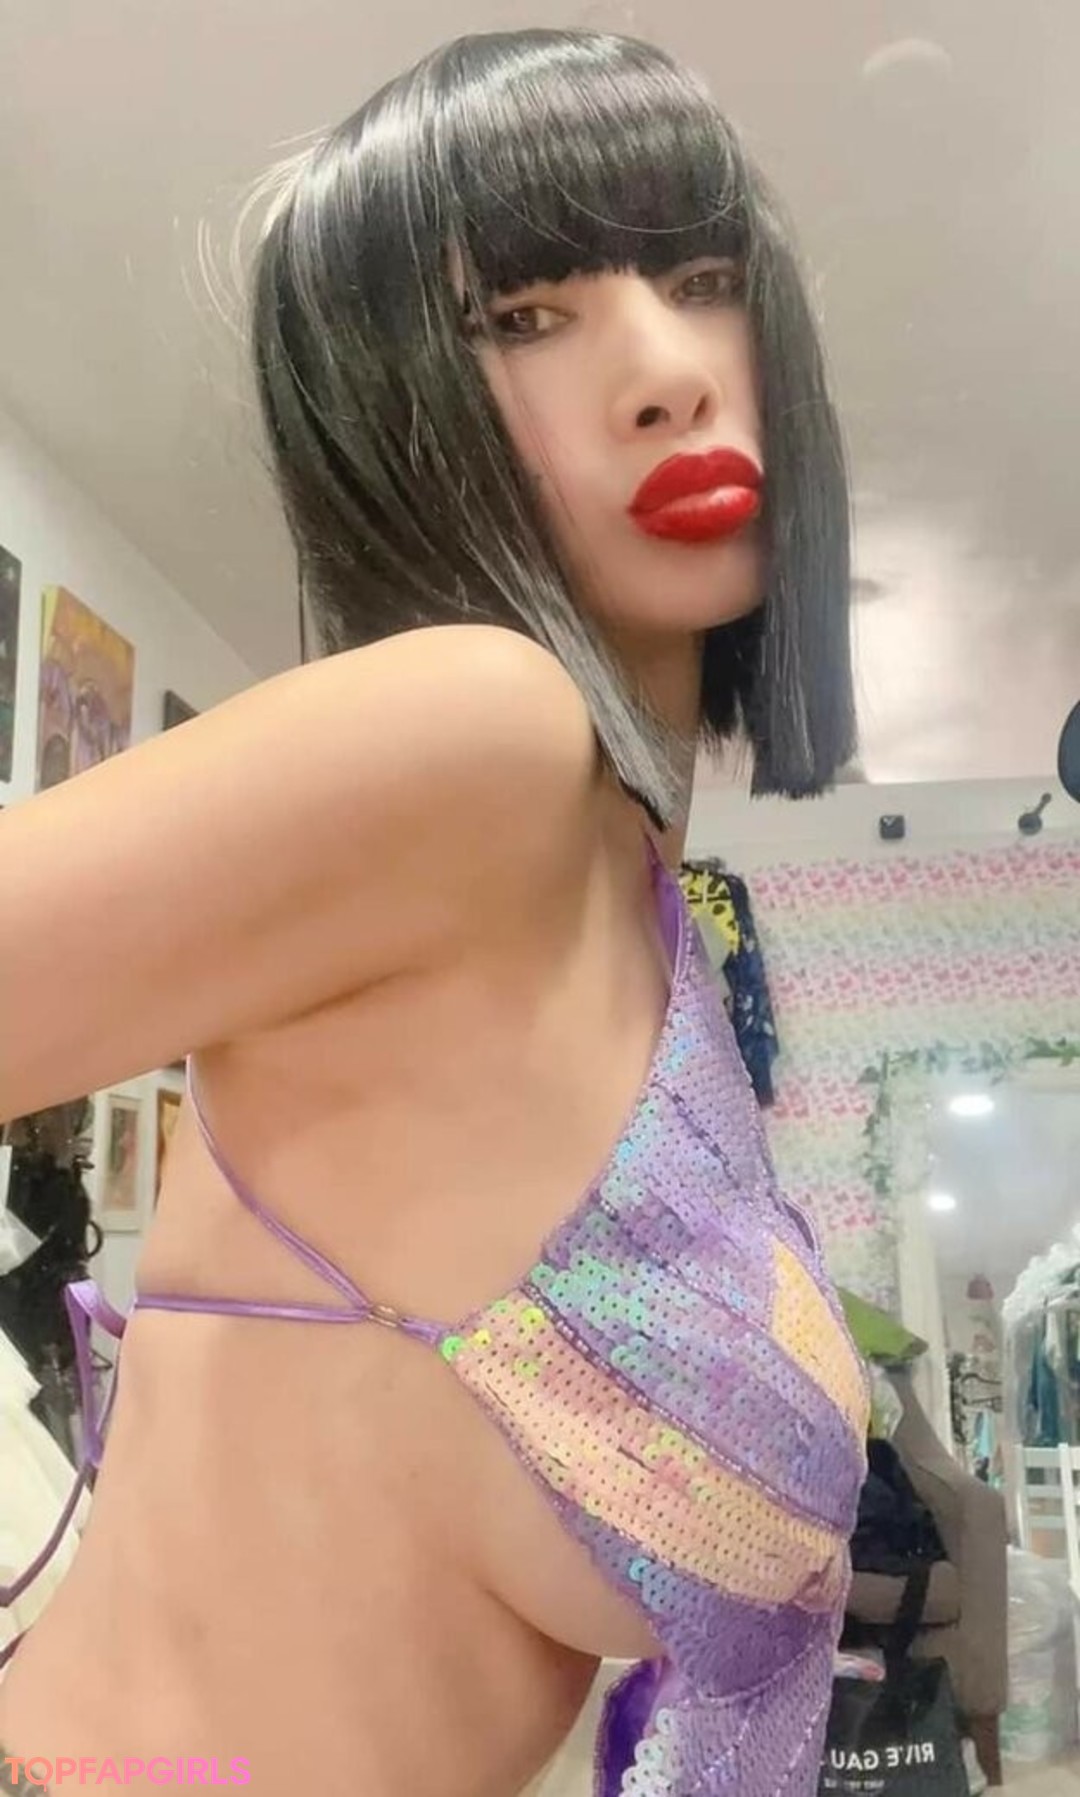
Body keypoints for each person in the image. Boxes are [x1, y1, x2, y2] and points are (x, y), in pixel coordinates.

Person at [0, 28, 868, 1797]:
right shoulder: (479, 731)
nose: (664, 374)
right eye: (524, 315)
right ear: (387, 404)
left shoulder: (629, 888)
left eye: (704, 281)